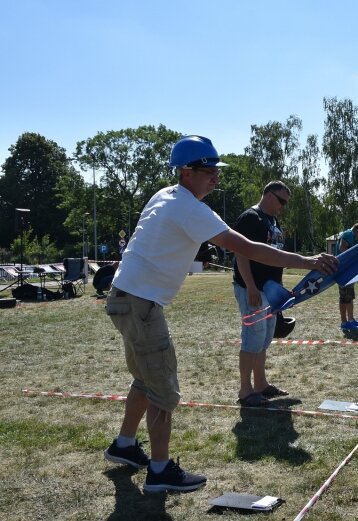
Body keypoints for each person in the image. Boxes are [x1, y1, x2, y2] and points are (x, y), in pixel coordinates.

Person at [103, 136, 337, 494]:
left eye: (216, 170)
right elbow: (247, 248)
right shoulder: (188, 207)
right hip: (142, 303)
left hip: (123, 298)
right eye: (208, 170)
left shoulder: (165, 196)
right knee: (163, 388)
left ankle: (124, 445)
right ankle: (160, 471)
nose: (215, 177)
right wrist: (306, 261)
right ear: (186, 172)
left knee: (145, 379)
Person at [232, 181, 297, 407]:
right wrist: (250, 286)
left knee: (264, 339)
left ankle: (260, 385)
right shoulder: (251, 218)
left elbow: (275, 257)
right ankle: (245, 390)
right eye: (281, 201)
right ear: (269, 195)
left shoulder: (273, 221)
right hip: (253, 289)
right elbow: (241, 254)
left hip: (270, 291)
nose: (282, 207)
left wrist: (280, 289)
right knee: (252, 339)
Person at [336, 223, 358, 331]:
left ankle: (351, 320)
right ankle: (344, 323)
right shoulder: (348, 234)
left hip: (347, 271)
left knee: (349, 297)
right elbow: (342, 248)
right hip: (343, 271)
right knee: (344, 298)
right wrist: (354, 257)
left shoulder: (349, 235)